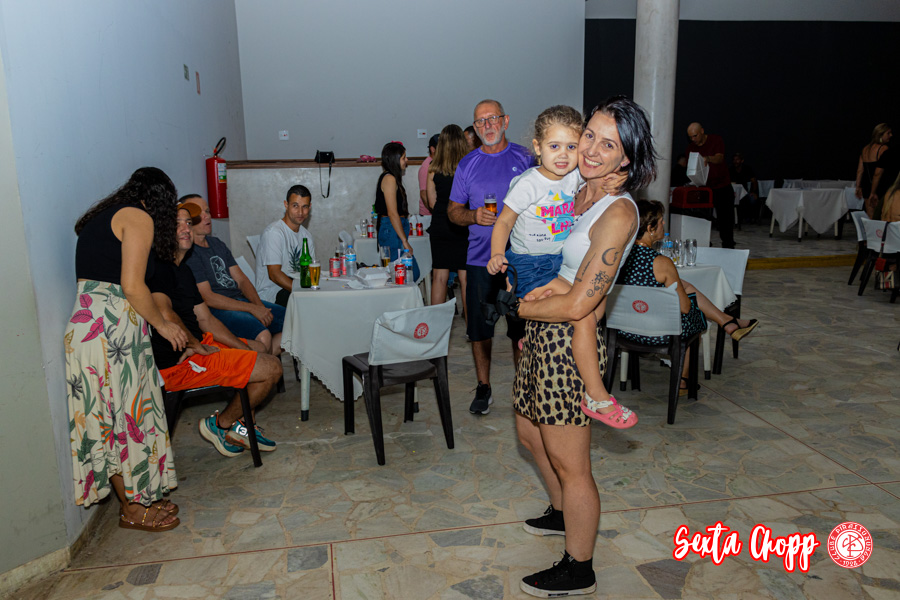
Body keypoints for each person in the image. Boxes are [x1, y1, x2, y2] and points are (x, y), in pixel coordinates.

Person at [510, 96, 653, 597]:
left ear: (627, 159)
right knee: (530, 435)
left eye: (608, 145)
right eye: (589, 135)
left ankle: (579, 567)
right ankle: (560, 513)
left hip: (570, 342)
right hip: (544, 328)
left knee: (572, 465)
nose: (590, 149)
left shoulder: (619, 212)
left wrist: (518, 309)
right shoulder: (579, 186)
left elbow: (580, 304)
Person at [487, 105, 632, 427]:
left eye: (571, 146)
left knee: (592, 308)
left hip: (556, 261)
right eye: (554, 146)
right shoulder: (529, 183)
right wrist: (497, 254)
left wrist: (616, 177)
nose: (564, 155)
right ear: (538, 148)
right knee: (583, 317)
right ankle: (596, 395)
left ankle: (530, 335)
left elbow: (603, 174)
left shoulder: (575, 176)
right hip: (529, 263)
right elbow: (504, 221)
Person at [65, 167, 187, 532]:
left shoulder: (109, 215)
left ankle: (139, 496)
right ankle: (131, 509)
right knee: (120, 422)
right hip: (109, 334)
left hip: (96, 331)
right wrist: (163, 325)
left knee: (115, 420)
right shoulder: (137, 217)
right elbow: (133, 286)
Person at [150, 204, 283, 457]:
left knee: (257, 349)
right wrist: (194, 344)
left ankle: (243, 427)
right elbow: (164, 313)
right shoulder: (160, 268)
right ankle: (221, 425)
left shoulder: (183, 270)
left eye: (188, 223)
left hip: (200, 344)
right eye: (177, 224)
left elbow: (206, 319)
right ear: (162, 231)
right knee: (273, 368)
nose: (185, 229)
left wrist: (242, 349)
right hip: (179, 364)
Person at [618, 200, 759, 394]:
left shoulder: (618, 256)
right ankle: (683, 381)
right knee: (693, 318)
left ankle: (727, 322)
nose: (664, 224)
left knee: (685, 286)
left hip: (623, 330)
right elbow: (684, 308)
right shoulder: (660, 262)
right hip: (656, 333)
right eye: (660, 221)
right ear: (650, 229)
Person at [448, 99, 533, 414]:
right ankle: (483, 387)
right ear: (475, 127)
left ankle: (523, 386)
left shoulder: (526, 158)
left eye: (492, 118)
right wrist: (473, 216)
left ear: (505, 121)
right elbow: (452, 211)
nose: (487, 126)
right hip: (481, 259)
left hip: (520, 259)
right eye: (480, 121)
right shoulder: (467, 164)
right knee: (480, 330)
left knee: (520, 328)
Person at [183, 195, 284, 355]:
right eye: (199, 213)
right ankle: (263, 364)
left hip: (239, 301)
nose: (206, 216)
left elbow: (242, 280)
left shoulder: (217, 244)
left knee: (294, 323)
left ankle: (266, 361)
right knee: (263, 337)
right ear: (187, 222)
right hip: (218, 309)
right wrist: (252, 308)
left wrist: (259, 307)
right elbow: (208, 297)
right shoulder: (190, 253)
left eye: (207, 211)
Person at [426, 125, 470, 315]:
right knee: (465, 278)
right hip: (463, 225)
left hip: (440, 225)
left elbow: (431, 202)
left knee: (439, 277)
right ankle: (471, 326)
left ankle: (435, 326)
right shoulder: (468, 167)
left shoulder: (433, 168)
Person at [255, 185, 316, 307]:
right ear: (286, 205)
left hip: (295, 290)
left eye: (304, 207)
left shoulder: (306, 236)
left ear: (309, 207)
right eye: (295, 206)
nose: (300, 212)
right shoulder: (274, 233)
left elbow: (309, 270)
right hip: (272, 295)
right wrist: (303, 292)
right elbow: (274, 275)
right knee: (314, 304)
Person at [680, 122, 734, 248]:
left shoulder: (716, 140)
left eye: (695, 136)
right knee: (702, 218)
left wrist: (707, 158)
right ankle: (704, 244)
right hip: (704, 188)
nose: (693, 139)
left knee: (726, 218)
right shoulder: (690, 148)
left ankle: (728, 245)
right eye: (690, 137)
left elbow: (719, 158)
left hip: (722, 186)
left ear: (702, 131)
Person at [375, 141, 421, 281]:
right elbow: (392, 213)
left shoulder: (392, 178)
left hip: (394, 228)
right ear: (395, 159)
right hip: (392, 229)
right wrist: (404, 241)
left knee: (406, 274)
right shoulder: (389, 179)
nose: (407, 160)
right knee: (404, 274)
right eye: (403, 157)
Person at [856, 123, 891, 218]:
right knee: (883, 215)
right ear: (880, 134)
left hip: (866, 185)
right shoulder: (883, 149)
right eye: (888, 133)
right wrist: (873, 192)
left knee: (871, 216)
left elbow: (860, 170)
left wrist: (858, 187)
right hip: (879, 186)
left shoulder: (865, 149)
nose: (891, 135)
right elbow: (877, 173)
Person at [729, 152, 761, 225]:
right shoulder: (730, 169)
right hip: (734, 193)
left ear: (742, 160)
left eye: (737, 160)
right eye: (734, 160)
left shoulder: (747, 169)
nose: (735, 161)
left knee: (752, 199)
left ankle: (752, 217)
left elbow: (754, 181)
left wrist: (754, 192)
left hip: (745, 192)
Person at [417, 134, 439, 217]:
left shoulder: (437, 164)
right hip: (428, 214)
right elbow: (424, 193)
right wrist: (434, 212)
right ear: (433, 149)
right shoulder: (427, 166)